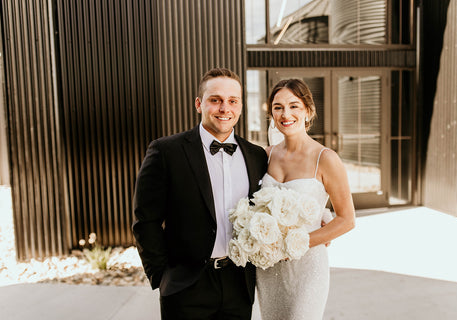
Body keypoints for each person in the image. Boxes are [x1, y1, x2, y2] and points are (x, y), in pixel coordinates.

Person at [132, 68, 268, 319]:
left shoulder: (256, 155)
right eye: (215, 100)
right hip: (186, 285)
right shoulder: (166, 151)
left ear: (240, 106)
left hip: (239, 284)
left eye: (232, 101)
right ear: (199, 104)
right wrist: (162, 276)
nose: (224, 108)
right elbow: (145, 220)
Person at [256, 79, 355, 319]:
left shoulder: (326, 158)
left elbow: (347, 219)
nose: (285, 114)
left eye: (294, 106)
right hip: (268, 268)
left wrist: (296, 242)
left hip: (307, 266)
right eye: (278, 107)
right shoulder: (264, 156)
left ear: (308, 111)